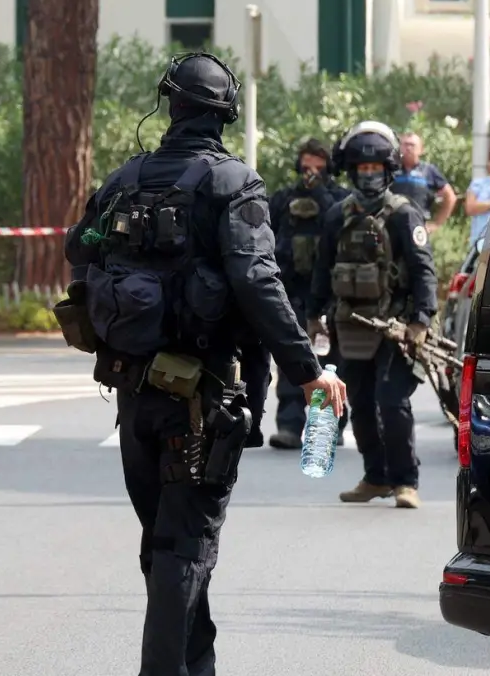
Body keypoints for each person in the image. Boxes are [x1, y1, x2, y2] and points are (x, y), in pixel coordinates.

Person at [64, 52, 345, 676]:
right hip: (201, 399)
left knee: (166, 548)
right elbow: (258, 281)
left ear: (170, 106)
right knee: (184, 550)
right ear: (225, 114)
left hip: (133, 397)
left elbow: (75, 248)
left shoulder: (123, 178)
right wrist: (309, 370)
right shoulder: (233, 183)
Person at [313, 121, 438, 510]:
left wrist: (421, 320)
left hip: (398, 327)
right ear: (352, 172)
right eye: (362, 171)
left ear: (388, 171)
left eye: (376, 171)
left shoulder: (404, 215)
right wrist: (313, 315)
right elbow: (322, 270)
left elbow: (423, 270)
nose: (369, 178)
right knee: (361, 402)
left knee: (392, 402)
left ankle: (406, 481)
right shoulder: (337, 216)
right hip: (352, 326)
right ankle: (375, 476)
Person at [255, 139, 348, 451]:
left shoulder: (338, 200)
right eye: (307, 168)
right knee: (292, 360)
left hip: (328, 295)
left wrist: (319, 192)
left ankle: (327, 427)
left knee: (331, 363)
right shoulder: (284, 199)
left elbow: (340, 226)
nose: (311, 174)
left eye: (318, 169)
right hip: (292, 292)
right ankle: (290, 426)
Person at [393, 131, 456, 233]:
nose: (408, 148)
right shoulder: (391, 169)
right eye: (405, 145)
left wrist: (436, 224)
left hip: (418, 228)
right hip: (392, 227)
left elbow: (450, 197)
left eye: (412, 145)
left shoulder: (429, 170)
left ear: (421, 150)